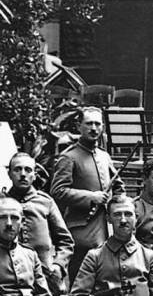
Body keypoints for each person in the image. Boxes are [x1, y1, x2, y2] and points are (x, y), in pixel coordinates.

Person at [50, 106, 124, 279]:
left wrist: (117, 203)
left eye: (97, 124)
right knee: (81, 279)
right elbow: (58, 191)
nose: (93, 128)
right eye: (89, 123)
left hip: (106, 228)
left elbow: (118, 186)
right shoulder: (69, 156)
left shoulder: (104, 156)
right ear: (79, 126)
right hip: (81, 229)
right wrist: (91, 197)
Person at [6, 152, 74, 295]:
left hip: (44, 277)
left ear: (35, 175)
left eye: (28, 170)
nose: (23, 174)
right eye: (17, 169)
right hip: (9, 278)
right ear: (9, 174)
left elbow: (66, 241)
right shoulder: (1, 203)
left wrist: (58, 266)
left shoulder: (45, 202)